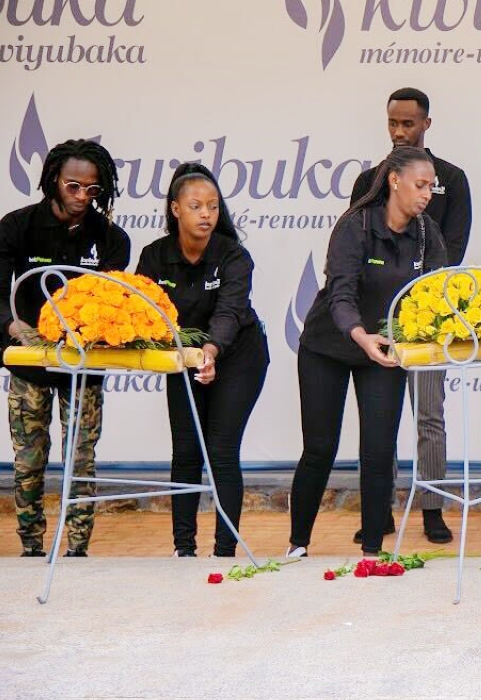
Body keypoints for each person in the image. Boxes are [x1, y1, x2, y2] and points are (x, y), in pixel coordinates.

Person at [287, 146, 447, 558]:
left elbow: (437, 294)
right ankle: (298, 544)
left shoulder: (428, 234)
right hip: (329, 345)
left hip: (384, 350)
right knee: (320, 446)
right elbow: (341, 294)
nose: (427, 193)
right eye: (420, 184)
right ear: (394, 181)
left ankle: (373, 551)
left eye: (432, 185)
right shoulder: (355, 227)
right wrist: (360, 335)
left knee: (378, 448)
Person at [350, 87, 472, 545]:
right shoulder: (370, 181)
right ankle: (378, 511)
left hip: (429, 322)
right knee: (377, 422)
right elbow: (356, 246)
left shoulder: (453, 180)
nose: (400, 132)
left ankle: (432, 510)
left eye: (409, 123)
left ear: (427, 124)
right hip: (376, 323)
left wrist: (420, 305)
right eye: (393, 123)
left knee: (430, 418)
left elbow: (452, 253)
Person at [0, 139, 130, 558]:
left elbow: (111, 303)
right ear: (54, 179)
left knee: (81, 462)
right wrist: (12, 325)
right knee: (28, 464)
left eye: (93, 190)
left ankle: (77, 553)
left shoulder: (112, 238)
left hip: (83, 366)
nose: (82, 197)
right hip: (30, 363)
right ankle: (31, 550)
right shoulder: (17, 226)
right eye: (73, 186)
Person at [135, 163, 270, 557]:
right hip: (183, 358)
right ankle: (183, 549)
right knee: (186, 450)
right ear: (176, 209)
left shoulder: (234, 256)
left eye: (212, 205)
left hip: (238, 356)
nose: (206, 214)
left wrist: (210, 352)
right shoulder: (154, 257)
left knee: (221, 449)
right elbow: (146, 313)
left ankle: (225, 550)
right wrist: (186, 355)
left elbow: (229, 312)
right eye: (196, 206)